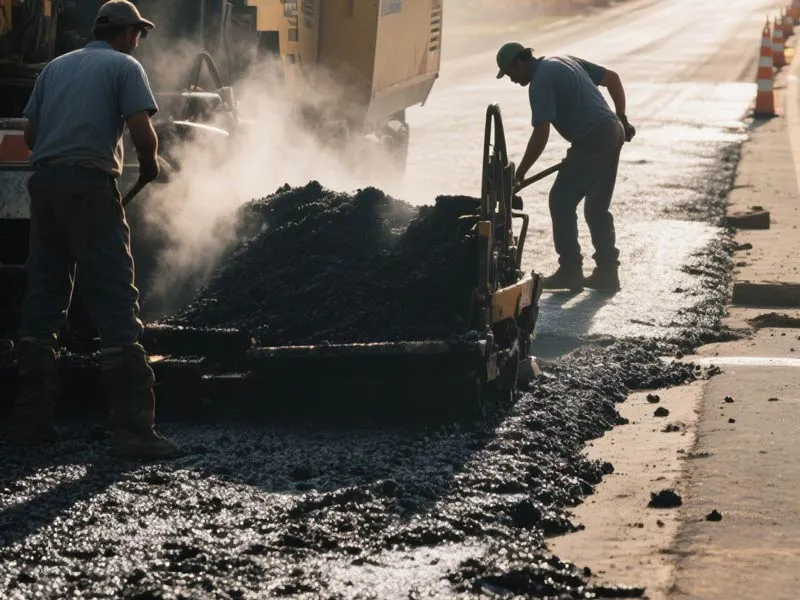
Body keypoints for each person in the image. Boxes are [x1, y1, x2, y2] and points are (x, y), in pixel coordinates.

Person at [7, 0, 178, 458]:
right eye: (138, 34)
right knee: (115, 296)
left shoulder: (55, 68)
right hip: (90, 185)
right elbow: (141, 129)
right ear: (127, 33)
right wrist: (150, 163)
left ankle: (30, 421)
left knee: (43, 295)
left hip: (45, 186)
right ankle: (133, 430)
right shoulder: (124, 66)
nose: (138, 42)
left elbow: (31, 136)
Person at [496, 42, 635, 293]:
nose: (512, 80)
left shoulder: (540, 81)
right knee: (596, 207)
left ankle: (570, 271)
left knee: (561, 200)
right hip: (612, 131)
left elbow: (541, 133)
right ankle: (607, 273)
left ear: (520, 62)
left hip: (594, 138)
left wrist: (520, 173)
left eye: (510, 73)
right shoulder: (564, 60)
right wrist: (622, 118)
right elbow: (612, 78)